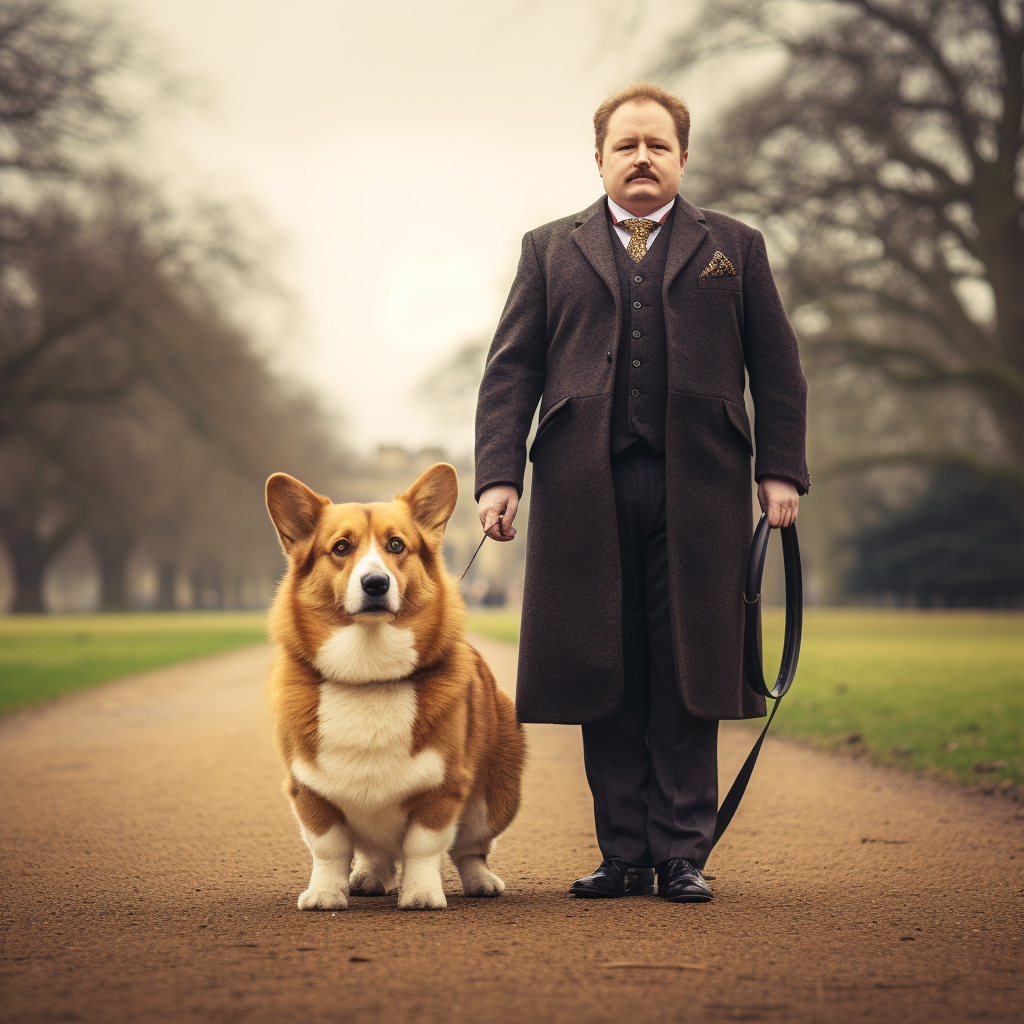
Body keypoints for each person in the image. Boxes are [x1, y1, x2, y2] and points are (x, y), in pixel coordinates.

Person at [473, 82, 808, 903]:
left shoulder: (737, 246)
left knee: (688, 667)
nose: (642, 158)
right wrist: (497, 477)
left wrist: (780, 469)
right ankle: (623, 852)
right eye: (626, 146)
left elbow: (778, 368)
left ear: (683, 158)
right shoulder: (549, 249)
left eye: (658, 145)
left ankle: (684, 854)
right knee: (605, 669)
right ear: (599, 159)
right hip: (581, 487)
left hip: (704, 489)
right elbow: (510, 372)